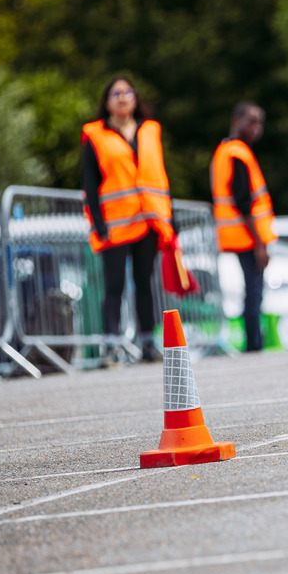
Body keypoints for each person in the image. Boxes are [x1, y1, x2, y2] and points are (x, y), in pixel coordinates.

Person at [81, 75, 176, 362]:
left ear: (136, 99)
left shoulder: (150, 130)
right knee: (114, 286)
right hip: (116, 224)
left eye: (128, 92)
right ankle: (110, 347)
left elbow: (160, 175)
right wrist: (98, 223)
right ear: (107, 102)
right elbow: (90, 181)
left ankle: (148, 343)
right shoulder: (95, 135)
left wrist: (170, 219)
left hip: (148, 221)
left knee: (144, 284)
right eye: (116, 93)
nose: (123, 97)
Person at [210, 102, 276, 352]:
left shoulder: (224, 150)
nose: (256, 128)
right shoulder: (237, 152)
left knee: (252, 290)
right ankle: (254, 345)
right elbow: (243, 201)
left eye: (259, 122)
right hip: (247, 236)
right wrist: (260, 243)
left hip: (238, 235)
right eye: (251, 121)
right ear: (236, 119)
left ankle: (253, 342)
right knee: (254, 291)